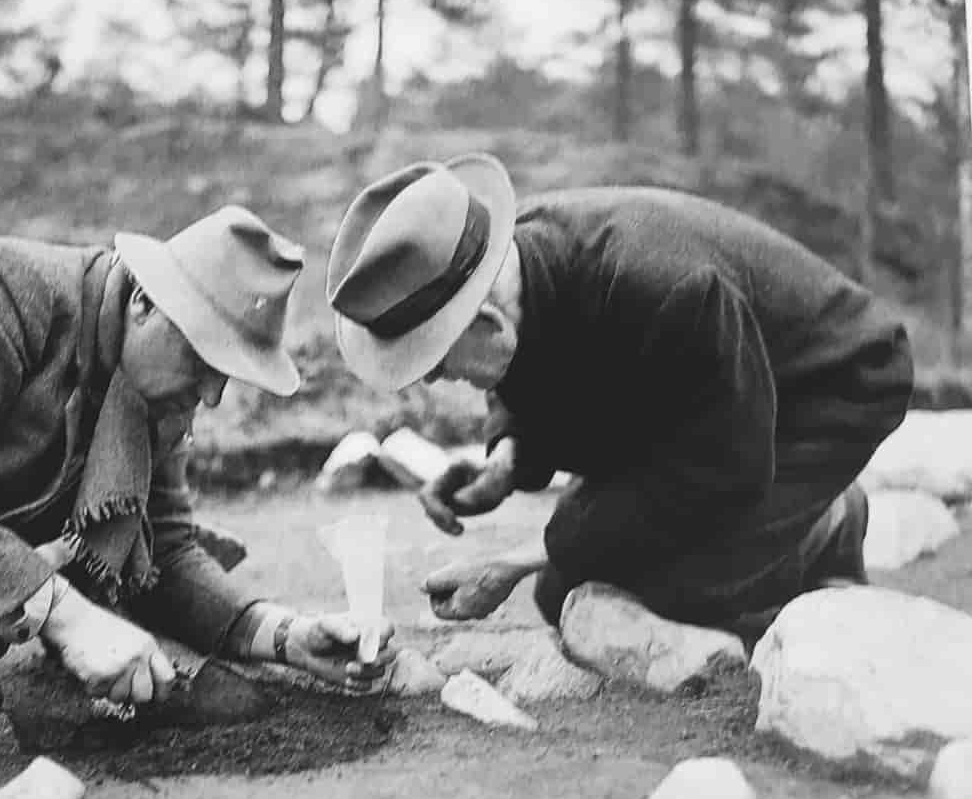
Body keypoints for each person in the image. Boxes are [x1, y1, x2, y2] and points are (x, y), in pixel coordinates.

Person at [0, 205, 393, 776]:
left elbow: (167, 557)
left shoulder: (145, 394)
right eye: (202, 359)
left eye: (224, 375)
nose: (209, 396)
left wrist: (286, 637)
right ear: (146, 303)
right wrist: (69, 619)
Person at [326, 153, 913, 646]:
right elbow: (539, 361)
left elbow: (720, 468)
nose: (430, 381)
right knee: (563, 592)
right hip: (707, 395)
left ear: (486, 323)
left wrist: (514, 557)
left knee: (676, 588)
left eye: (434, 360)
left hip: (824, 387)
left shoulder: (667, 288)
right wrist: (507, 460)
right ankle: (792, 527)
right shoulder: (514, 269)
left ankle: (831, 520)